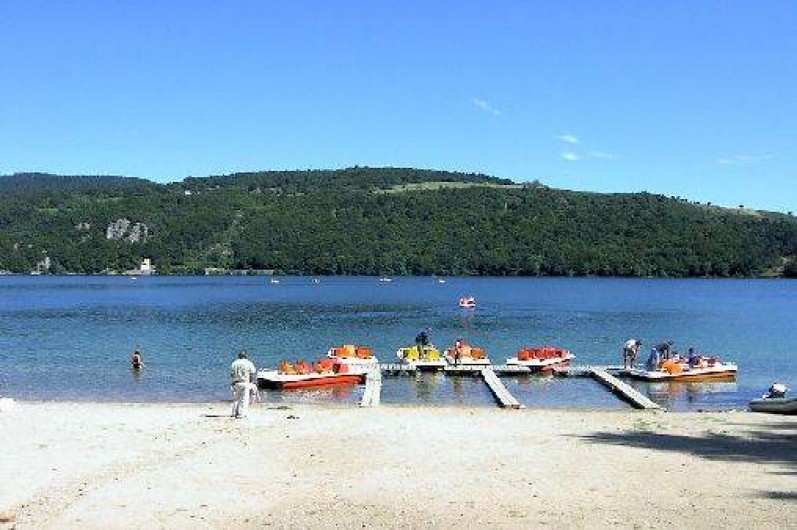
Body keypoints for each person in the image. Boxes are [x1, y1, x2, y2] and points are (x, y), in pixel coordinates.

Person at [230, 350, 257, 418]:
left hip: (236, 382)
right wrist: (251, 381)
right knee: (244, 399)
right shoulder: (249, 363)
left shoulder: (234, 363)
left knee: (236, 398)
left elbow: (232, 374)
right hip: (245, 382)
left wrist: (233, 381)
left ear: (239, 356)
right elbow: (252, 373)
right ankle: (241, 414)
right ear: (246, 356)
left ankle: (234, 413)